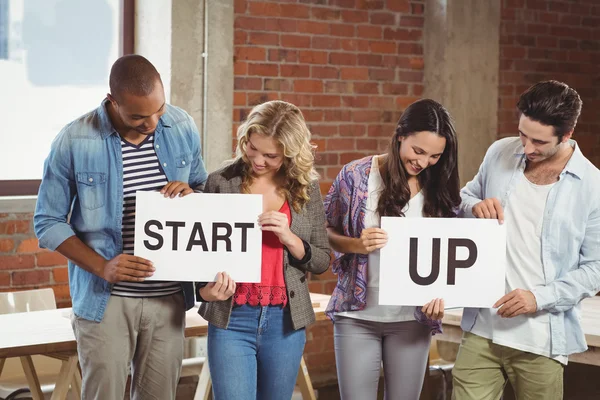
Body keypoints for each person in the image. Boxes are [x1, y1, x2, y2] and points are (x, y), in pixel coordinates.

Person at [34, 54, 208, 400]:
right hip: (105, 300)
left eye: (159, 109)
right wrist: (103, 267)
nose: (153, 123)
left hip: (168, 299)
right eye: (139, 116)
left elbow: (203, 190)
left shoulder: (182, 125)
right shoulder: (74, 139)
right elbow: (47, 222)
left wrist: (192, 194)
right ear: (112, 101)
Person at [453, 80, 600, 400]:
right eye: (522, 134)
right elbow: (465, 198)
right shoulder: (499, 152)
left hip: (541, 340)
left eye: (539, 141)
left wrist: (539, 297)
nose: (527, 147)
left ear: (567, 135)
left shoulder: (592, 186)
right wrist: (473, 207)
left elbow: (595, 268)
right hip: (481, 331)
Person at [324, 99, 461, 399]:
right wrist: (355, 244)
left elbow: (449, 251)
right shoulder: (356, 175)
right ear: (400, 135)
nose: (423, 163)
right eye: (418, 151)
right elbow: (325, 229)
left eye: (435, 156)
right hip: (357, 316)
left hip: (411, 320)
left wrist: (443, 296)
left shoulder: (439, 187)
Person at [196, 100, 331, 400]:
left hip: (285, 321)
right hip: (232, 318)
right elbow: (199, 250)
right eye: (251, 147)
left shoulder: (305, 187)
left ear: (290, 152)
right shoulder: (221, 181)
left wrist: (290, 238)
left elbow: (322, 259)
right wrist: (204, 291)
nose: (258, 160)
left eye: (270, 155)